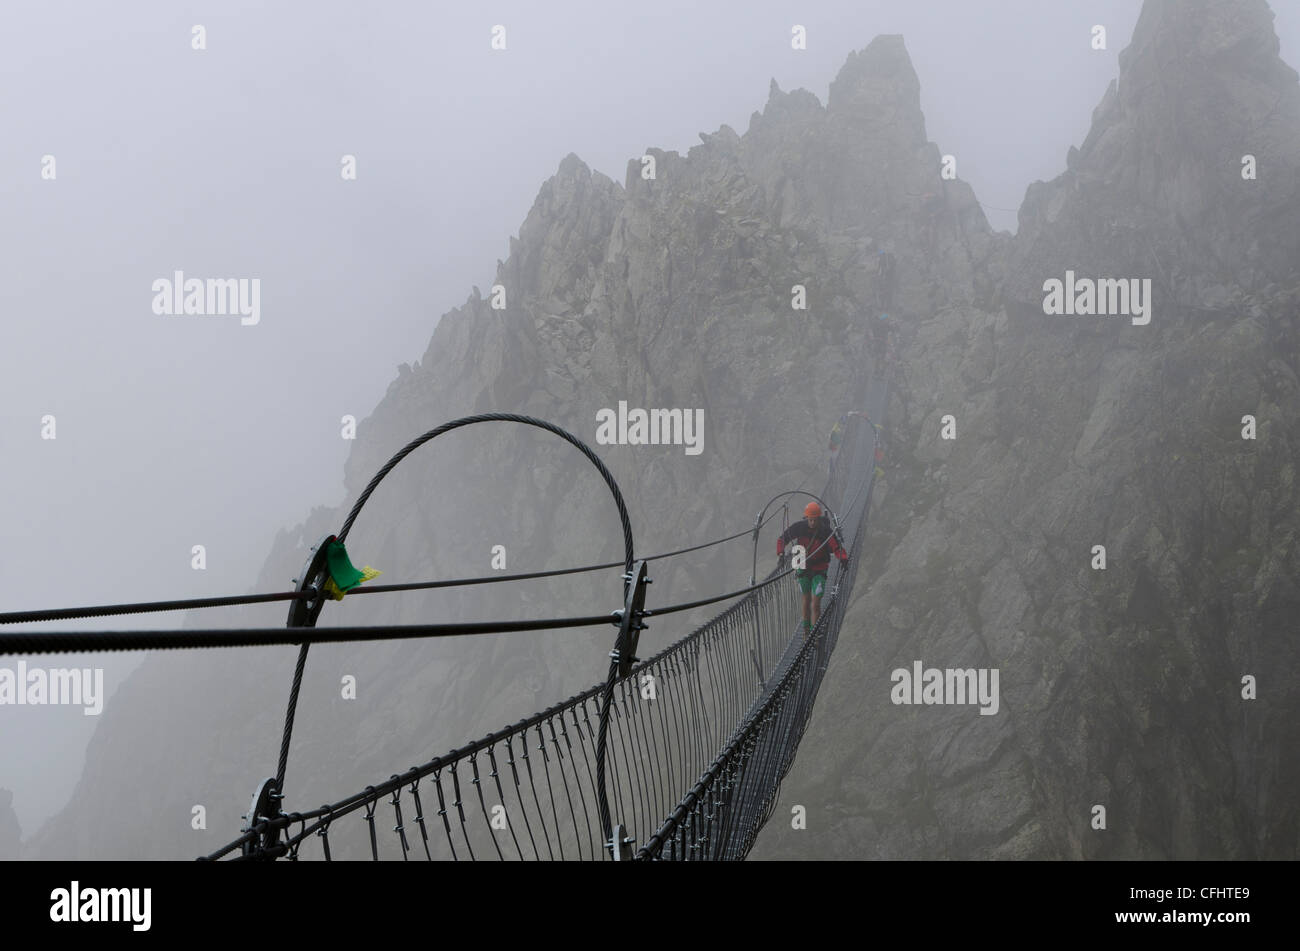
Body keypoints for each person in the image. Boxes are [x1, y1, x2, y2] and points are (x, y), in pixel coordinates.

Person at [777, 502, 849, 637]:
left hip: (819, 569)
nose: (812, 522)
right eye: (810, 519)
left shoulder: (825, 531)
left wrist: (843, 558)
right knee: (806, 599)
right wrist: (781, 553)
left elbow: (836, 547)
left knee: (815, 602)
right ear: (806, 517)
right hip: (802, 568)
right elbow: (782, 539)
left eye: (815, 520)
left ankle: (813, 635)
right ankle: (806, 632)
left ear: (818, 519)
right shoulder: (799, 527)